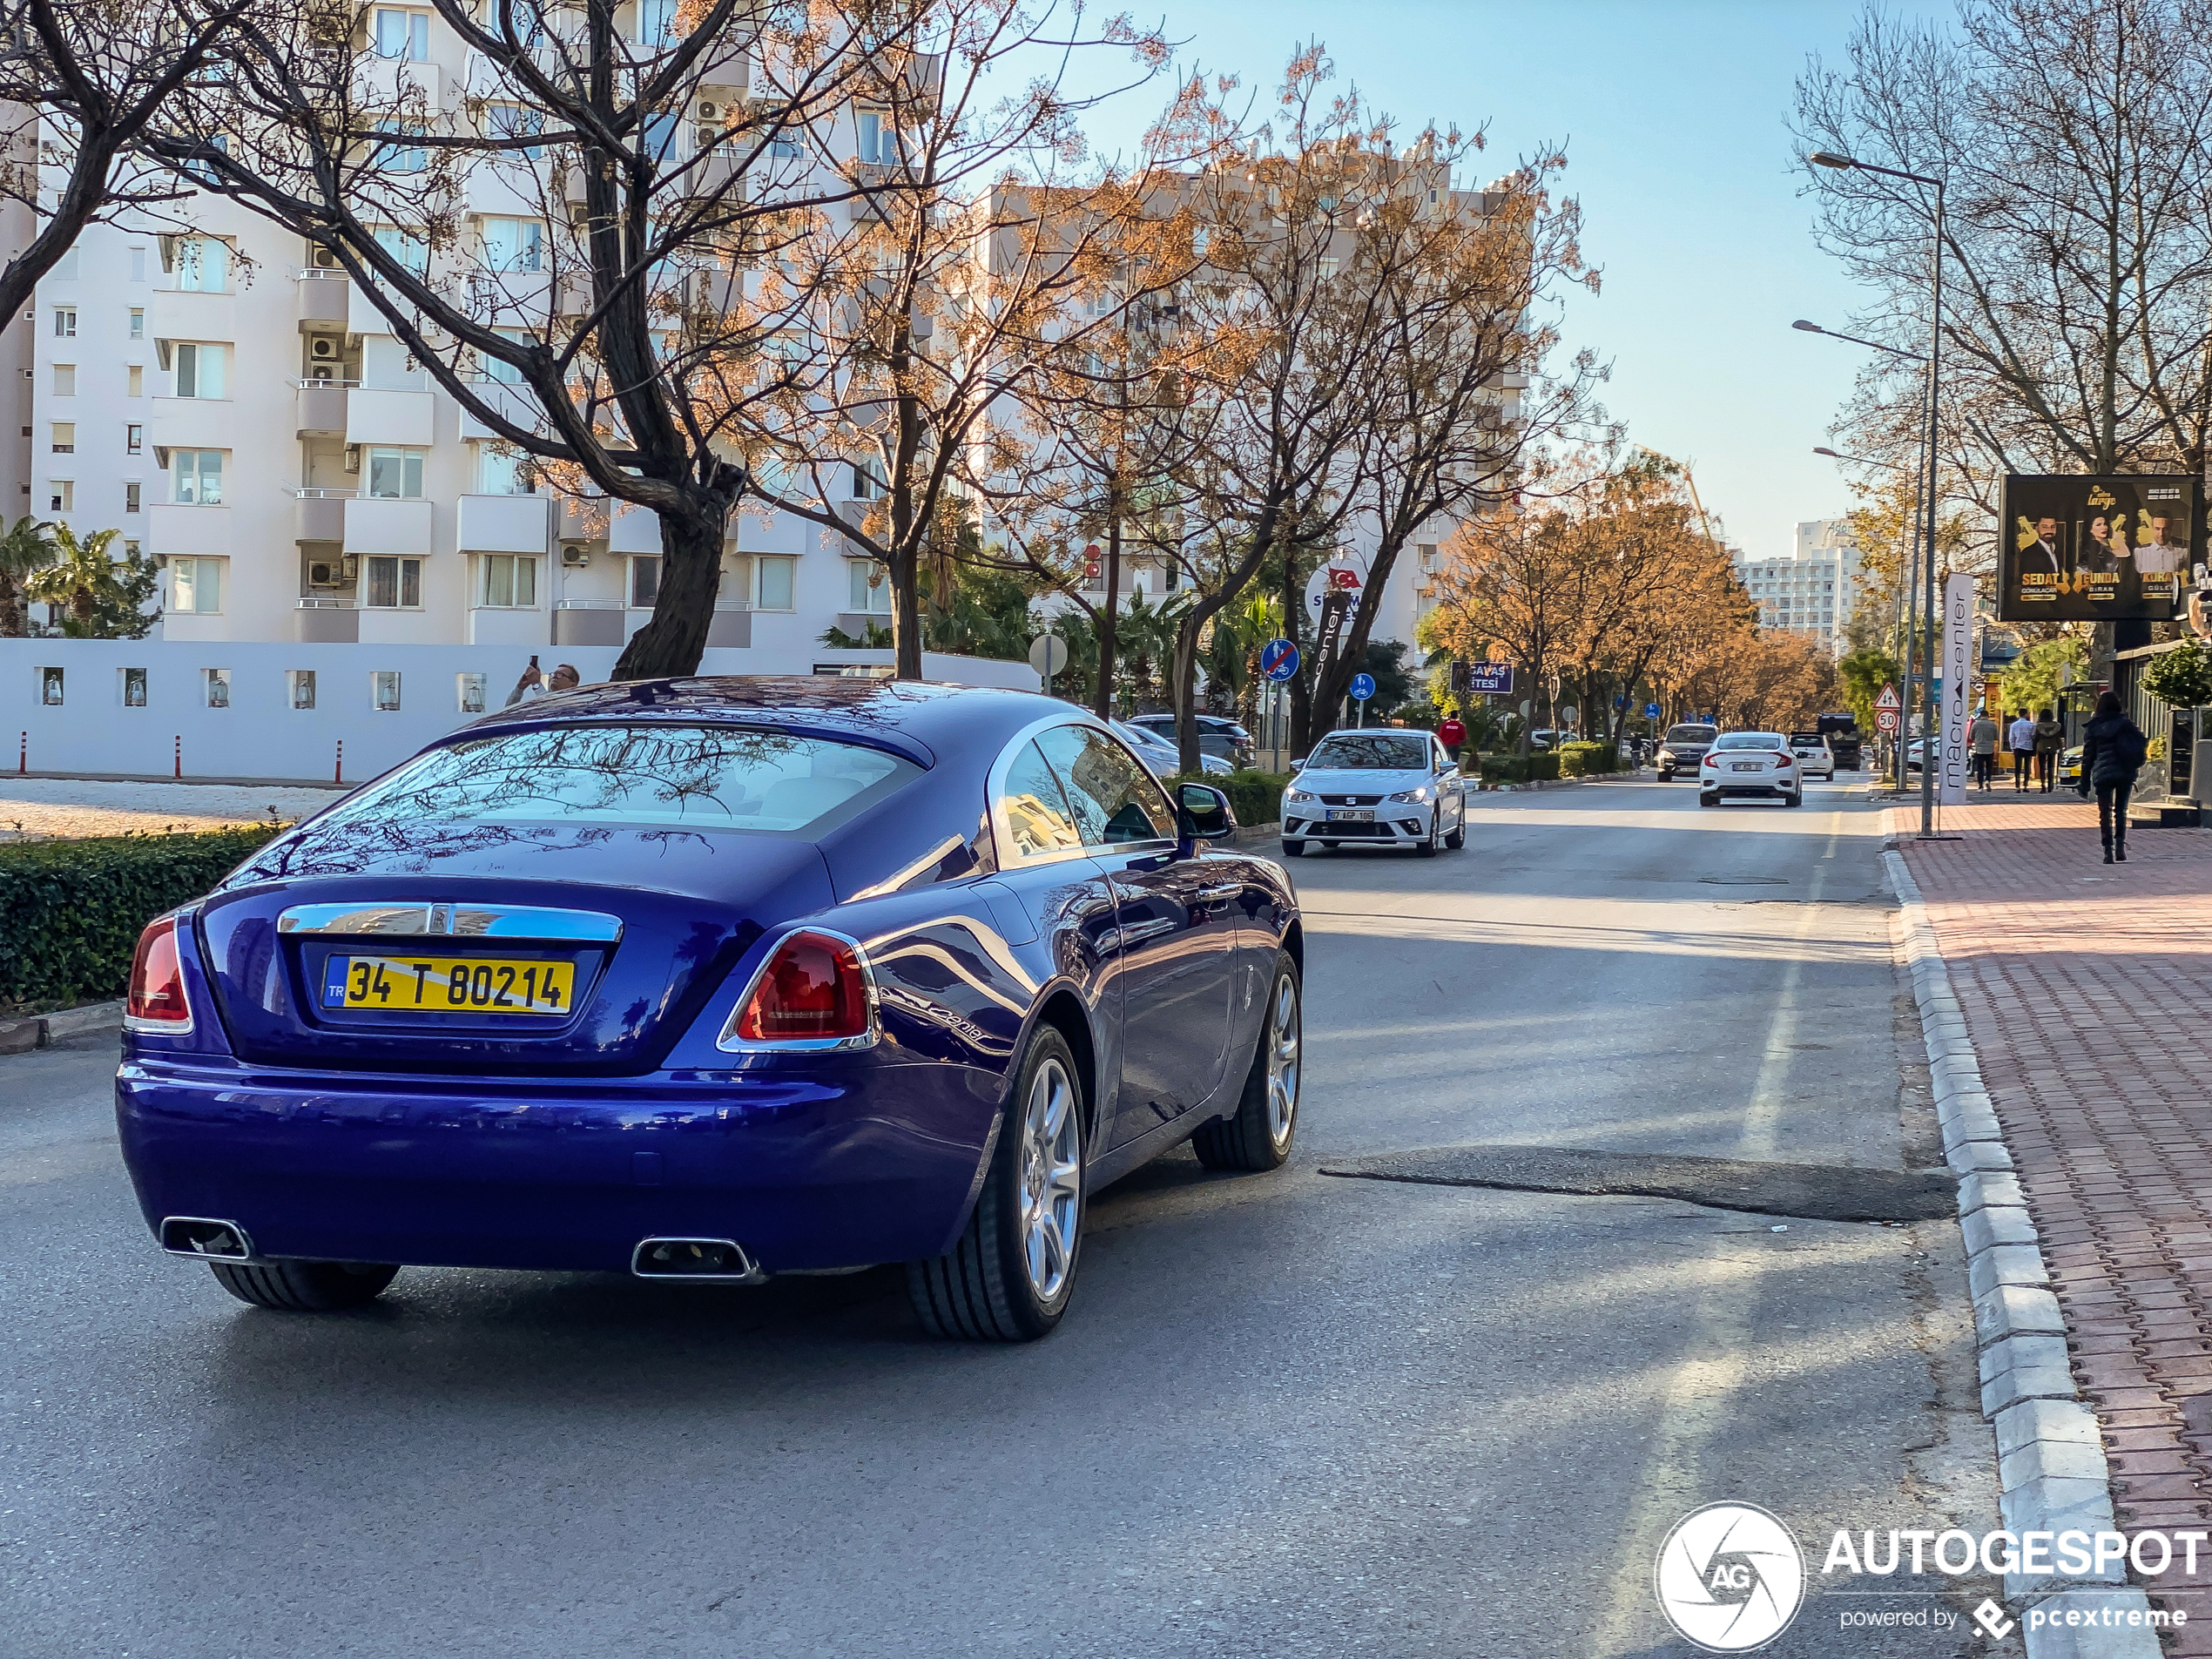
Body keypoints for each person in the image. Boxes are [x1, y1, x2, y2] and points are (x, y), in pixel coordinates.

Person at [2076, 689, 2148, 864]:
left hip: (2103, 772)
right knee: (2121, 811)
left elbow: (2088, 756)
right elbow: (2140, 743)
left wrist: (2084, 781)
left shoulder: (2094, 727)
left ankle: (2107, 850)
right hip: (2124, 771)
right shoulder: (2125, 724)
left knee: (2105, 812)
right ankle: (2120, 847)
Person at [2033, 707, 2063, 793]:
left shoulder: (2039, 726)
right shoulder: (2057, 726)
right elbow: (2058, 738)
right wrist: (2060, 747)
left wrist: (2033, 748)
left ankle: (2043, 786)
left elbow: (2036, 738)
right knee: (2051, 766)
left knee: (2042, 767)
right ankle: (2050, 786)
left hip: (2041, 747)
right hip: (2053, 746)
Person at [1969, 706, 2000, 791]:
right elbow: (1996, 737)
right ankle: (1988, 780)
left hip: (1979, 749)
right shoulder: (1992, 725)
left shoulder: (1975, 724)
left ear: (1981, 715)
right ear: (1988, 716)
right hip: (1989, 749)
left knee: (1980, 768)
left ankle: (1980, 785)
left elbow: (1971, 736)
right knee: (1989, 767)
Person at [2006, 708, 2036, 791]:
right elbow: (2033, 736)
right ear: (2026, 714)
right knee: (2027, 767)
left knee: (2018, 767)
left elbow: (2011, 738)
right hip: (2028, 747)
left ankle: (2017, 786)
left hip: (2018, 747)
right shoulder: (2031, 725)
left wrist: (2012, 747)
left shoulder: (2014, 725)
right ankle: (2025, 785)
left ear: (2019, 714)